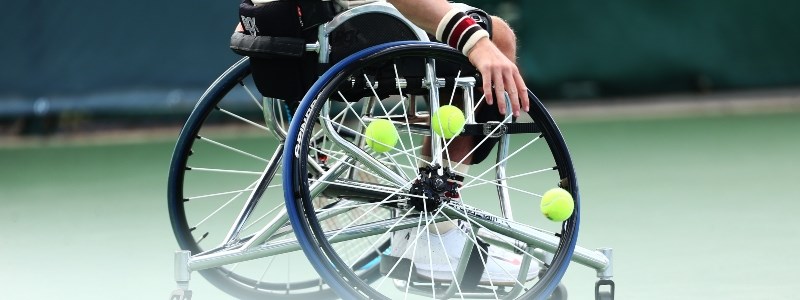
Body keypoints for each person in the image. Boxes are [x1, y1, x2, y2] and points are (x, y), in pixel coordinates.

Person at [238, 0, 537, 285]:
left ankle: (429, 227)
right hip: (347, 33)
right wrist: (478, 43)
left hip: (286, 35)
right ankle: (439, 226)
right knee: (497, 37)